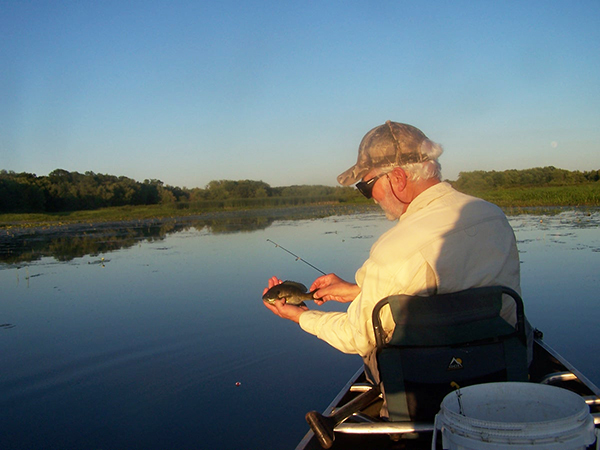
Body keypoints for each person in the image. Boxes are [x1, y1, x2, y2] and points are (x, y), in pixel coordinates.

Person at [263, 120, 522, 361]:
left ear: (397, 177)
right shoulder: (493, 216)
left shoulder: (396, 248)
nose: (371, 197)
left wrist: (301, 316)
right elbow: (447, 295)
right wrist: (357, 290)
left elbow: (357, 338)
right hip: (505, 363)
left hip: (429, 379)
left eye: (366, 187)